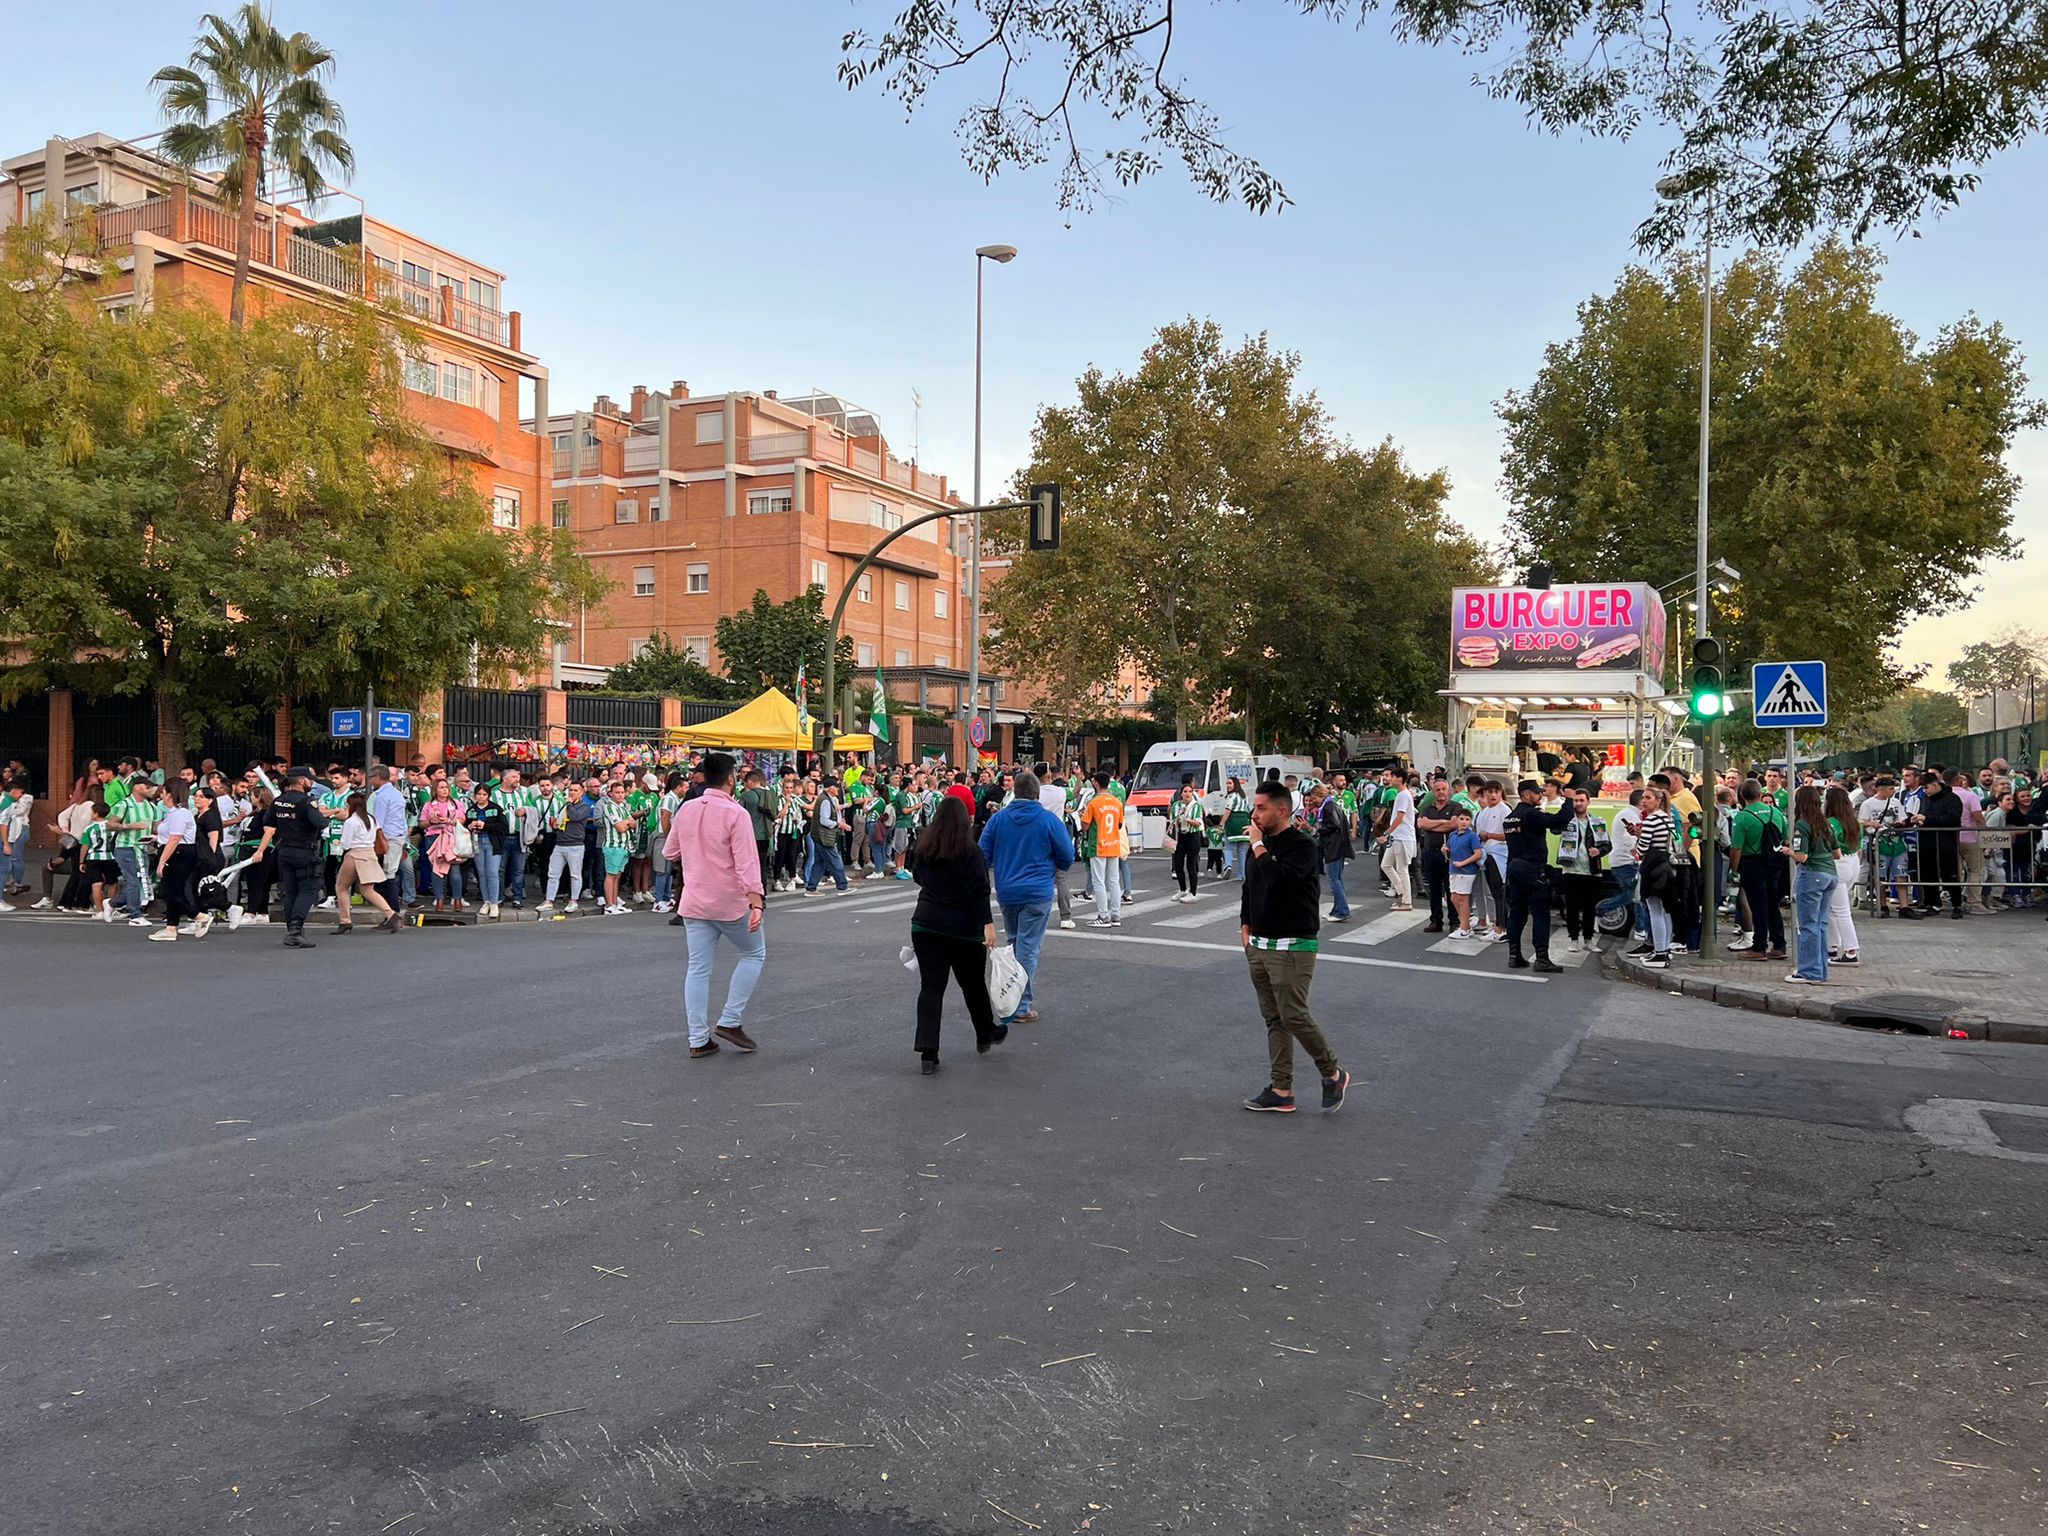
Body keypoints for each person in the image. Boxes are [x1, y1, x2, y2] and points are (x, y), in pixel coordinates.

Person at [1239, 780, 1349, 1115]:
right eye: (1254, 807)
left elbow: (1280, 878)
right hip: (1259, 944)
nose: (1254, 813)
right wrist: (1245, 928)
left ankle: (1332, 1072)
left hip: (1293, 946)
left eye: (1261, 808)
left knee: (1294, 1014)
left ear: (1282, 810)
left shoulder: (1302, 845)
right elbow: (1252, 887)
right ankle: (1281, 1089)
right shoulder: (1258, 845)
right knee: (1274, 1019)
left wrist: (1259, 847)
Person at [667, 752, 767, 1059]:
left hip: (695, 901)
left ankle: (698, 1038)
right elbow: (747, 861)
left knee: (697, 969)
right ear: (731, 779)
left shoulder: (687, 809)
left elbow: (671, 852)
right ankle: (730, 1019)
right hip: (730, 901)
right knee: (753, 953)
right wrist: (756, 901)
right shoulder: (735, 813)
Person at [908, 794, 1004, 1073]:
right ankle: (985, 1032)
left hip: (926, 924)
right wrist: (987, 924)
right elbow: (979, 889)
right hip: (963, 928)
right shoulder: (970, 850)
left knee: (931, 988)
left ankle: (928, 1050)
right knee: (972, 983)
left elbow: (917, 876)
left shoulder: (925, 844)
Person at [978, 770, 1076, 1029]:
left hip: (1008, 891)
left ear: (1015, 792)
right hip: (1037, 891)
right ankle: (1019, 1005)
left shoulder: (999, 819)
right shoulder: (1048, 820)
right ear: (1037, 794)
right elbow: (1067, 855)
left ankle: (1011, 997)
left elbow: (982, 855)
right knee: (1029, 949)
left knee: (1014, 943)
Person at [1500, 779, 1571, 972]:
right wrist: (1569, 801)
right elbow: (1558, 821)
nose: (1541, 796)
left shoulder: (1510, 818)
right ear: (1526, 794)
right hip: (1533, 868)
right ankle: (1542, 958)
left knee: (1517, 913)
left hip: (1514, 868)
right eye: (1537, 793)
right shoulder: (1531, 814)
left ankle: (1514, 955)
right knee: (1541, 913)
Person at [255, 766, 329, 948]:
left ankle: (291, 930)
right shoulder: (307, 802)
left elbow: (268, 822)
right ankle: (296, 929)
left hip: (284, 851)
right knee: (308, 890)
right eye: (310, 780)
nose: (312, 783)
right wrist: (325, 813)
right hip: (304, 851)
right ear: (302, 781)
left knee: (292, 892)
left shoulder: (279, 801)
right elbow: (320, 823)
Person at [1786, 784, 1841, 983]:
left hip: (1811, 875)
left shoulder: (1802, 825)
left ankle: (1809, 971)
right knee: (1821, 924)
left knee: (1808, 925)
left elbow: (1801, 857)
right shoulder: (1827, 824)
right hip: (1830, 875)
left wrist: (1788, 851)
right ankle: (1821, 969)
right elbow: (1837, 853)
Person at [1729, 779, 1787, 962]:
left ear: (1741, 796)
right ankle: (1779, 944)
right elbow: (1785, 836)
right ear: (1760, 795)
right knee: (1772, 904)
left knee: (1758, 906)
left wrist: (1734, 869)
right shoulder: (1775, 812)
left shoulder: (1742, 817)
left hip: (1753, 863)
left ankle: (1759, 947)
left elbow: (1736, 848)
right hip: (1775, 862)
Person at [334, 791, 401, 933]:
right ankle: (391, 914)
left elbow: (345, 844)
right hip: (370, 854)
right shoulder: (372, 819)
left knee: (342, 887)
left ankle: (345, 921)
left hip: (355, 854)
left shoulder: (351, 822)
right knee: (368, 890)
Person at [1553, 787, 1607, 952]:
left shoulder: (1597, 821)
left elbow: (1607, 844)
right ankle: (1574, 939)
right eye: (1576, 800)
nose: (1578, 803)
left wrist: (1599, 851)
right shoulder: (1567, 820)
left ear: (1588, 802)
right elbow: (1554, 829)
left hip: (1592, 870)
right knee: (1572, 907)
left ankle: (1589, 940)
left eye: (1581, 800)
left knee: (1590, 907)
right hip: (1571, 869)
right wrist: (1567, 811)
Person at [1077, 771, 1128, 927]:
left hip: (1098, 844)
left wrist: (1081, 818)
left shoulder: (1093, 802)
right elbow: (1119, 824)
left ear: (1096, 783)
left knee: (1098, 881)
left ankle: (1103, 915)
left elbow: (1085, 825)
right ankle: (1116, 914)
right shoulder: (1116, 802)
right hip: (1113, 844)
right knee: (1113, 880)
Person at [149, 782, 198, 942]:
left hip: (179, 853)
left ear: (169, 793)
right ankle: (171, 927)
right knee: (173, 890)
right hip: (175, 850)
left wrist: (162, 861)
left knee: (170, 890)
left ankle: (197, 915)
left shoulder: (180, 814)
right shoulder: (173, 813)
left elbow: (175, 838)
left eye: (163, 792)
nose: (161, 796)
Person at [1914, 771, 1966, 918]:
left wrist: (1928, 818)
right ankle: (1933, 903)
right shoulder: (1925, 798)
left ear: (1935, 784)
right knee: (1928, 874)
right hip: (1927, 841)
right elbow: (1923, 813)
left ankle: (1957, 904)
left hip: (1946, 842)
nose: (1925, 791)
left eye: (1926, 787)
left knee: (1950, 874)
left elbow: (1953, 819)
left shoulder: (1952, 799)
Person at [538, 777, 591, 915]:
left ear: (582, 793)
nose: (572, 793)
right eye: (570, 790)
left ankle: (573, 900)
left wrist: (569, 804)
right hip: (560, 843)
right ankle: (549, 900)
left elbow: (574, 817)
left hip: (575, 845)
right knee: (553, 873)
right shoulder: (565, 805)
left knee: (575, 874)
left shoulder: (583, 806)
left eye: (575, 790)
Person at [1823, 783, 1862, 965]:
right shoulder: (1854, 822)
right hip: (1853, 862)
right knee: (1834, 907)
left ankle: (1850, 950)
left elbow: (1829, 846)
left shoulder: (1830, 823)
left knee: (1840, 911)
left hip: (1837, 864)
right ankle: (1832, 946)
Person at [1414, 778, 1458, 933]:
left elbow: (1454, 824)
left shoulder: (1456, 807)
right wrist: (1443, 822)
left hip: (1449, 852)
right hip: (1430, 851)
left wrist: (1432, 824)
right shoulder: (1427, 808)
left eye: (1443, 789)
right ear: (1433, 791)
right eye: (1437, 789)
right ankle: (1435, 921)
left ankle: (1454, 921)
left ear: (1448, 790)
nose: (1441, 792)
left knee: (1451, 887)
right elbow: (1421, 824)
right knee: (1434, 888)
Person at [419, 778, 466, 913]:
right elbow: (421, 824)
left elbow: (462, 820)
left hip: (451, 837)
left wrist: (450, 821)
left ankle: (457, 899)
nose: (444, 790)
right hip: (434, 837)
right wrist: (431, 821)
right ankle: (439, 898)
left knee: (454, 869)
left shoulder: (456, 804)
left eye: (446, 787)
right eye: (441, 787)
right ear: (435, 790)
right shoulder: (429, 805)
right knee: (437, 869)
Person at [1310, 783, 1355, 922]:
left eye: (1314, 798)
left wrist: (1320, 829)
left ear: (1320, 796)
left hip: (1334, 846)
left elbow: (1334, 824)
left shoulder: (1329, 807)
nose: (1313, 802)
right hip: (1337, 845)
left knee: (1334, 879)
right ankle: (1337, 909)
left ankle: (1342, 910)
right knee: (1337, 879)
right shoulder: (1332, 805)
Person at [1472, 779, 1510, 940]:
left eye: (1496, 792)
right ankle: (1497, 926)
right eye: (1490, 792)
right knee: (1494, 892)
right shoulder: (1483, 812)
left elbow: (1508, 834)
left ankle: (1502, 928)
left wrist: (1489, 835)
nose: (1493, 795)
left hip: (1499, 854)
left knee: (1500, 892)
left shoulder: (1505, 810)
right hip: (1486, 854)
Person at [466, 784, 511, 919]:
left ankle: (494, 902)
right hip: (477, 842)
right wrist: (470, 825)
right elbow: (465, 824)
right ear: (475, 795)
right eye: (479, 794)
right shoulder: (471, 810)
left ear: (488, 796)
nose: (481, 797)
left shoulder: (496, 809)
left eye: (484, 794)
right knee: (482, 874)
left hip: (492, 843)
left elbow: (503, 827)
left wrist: (485, 826)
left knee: (492, 873)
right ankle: (486, 901)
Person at [804, 780, 850, 894]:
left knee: (819, 863)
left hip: (819, 835)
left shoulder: (825, 798)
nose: (838, 790)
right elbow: (824, 820)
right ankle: (842, 886)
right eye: (836, 787)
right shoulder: (825, 800)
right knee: (835, 861)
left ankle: (811, 887)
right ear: (829, 788)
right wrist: (838, 824)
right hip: (824, 836)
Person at [1168, 775, 1207, 902]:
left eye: (1190, 791)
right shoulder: (1176, 806)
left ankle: (1193, 892)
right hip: (1180, 836)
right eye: (1185, 791)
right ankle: (1182, 889)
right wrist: (1178, 820)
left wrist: (1188, 819)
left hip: (1193, 836)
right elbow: (1174, 821)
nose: (1188, 794)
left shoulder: (1196, 806)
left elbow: (1199, 822)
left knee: (1191, 864)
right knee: (1178, 864)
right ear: (1181, 793)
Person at [1381, 772, 1416, 911]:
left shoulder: (1403, 795)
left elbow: (1400, 817)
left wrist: (1386, 833)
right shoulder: (1402, 794)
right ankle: (1401, 891)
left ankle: (1406, 901)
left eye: (1392, 776)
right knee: (1386, 865)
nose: (1389, 779)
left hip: (1403, 837)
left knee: (1402, 869)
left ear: (1400, 779)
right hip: (1398, 836)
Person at [1445, 805, 1482, 937]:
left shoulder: (1472, 836)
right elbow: (1450, 850)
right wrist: (1446, 850)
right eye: (1462, 819)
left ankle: (1465, 928)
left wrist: (1463, 863)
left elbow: (1478, 853)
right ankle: (1465, 922)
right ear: (1457, 820)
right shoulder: (1452, 835)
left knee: (1463, 898)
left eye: (1467, 819)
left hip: (1466, 871)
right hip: (1453, 869)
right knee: (1454, 897)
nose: (1464, 822)